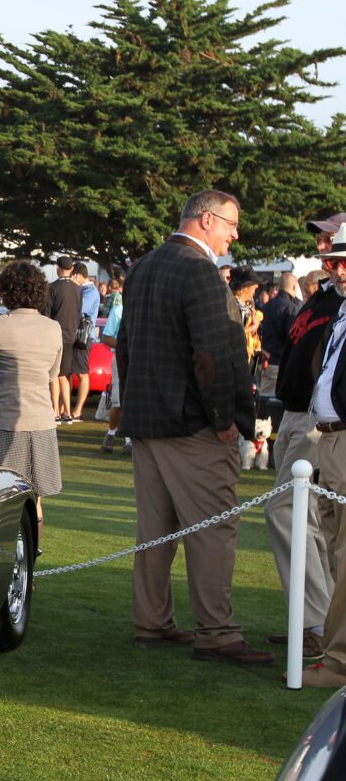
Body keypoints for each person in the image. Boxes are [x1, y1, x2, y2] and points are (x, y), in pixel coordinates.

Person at [117, 189, 266, 664]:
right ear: (206, 220)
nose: (234, 234)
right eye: (230, 223)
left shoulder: (142, 268)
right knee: (213, 528)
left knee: (155, 531)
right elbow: (214, 355)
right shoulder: (200, 271)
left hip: (147, 420)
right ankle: (218, 633)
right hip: (191, 424)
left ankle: (152, 623)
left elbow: (126, 346)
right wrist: (225, 419)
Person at [262, 236, 345, 669]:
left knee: (286, 511)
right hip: (300, 416)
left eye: (337, 251)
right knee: (314, 522)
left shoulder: (335, 302)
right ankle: (318, 622)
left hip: (320, 426)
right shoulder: (323, 298)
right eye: (330, 255)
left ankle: (315, 623)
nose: (330, 257)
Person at [0, 261, 64, 531]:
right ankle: (30, 559)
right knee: (34, 499)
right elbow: (52, 373)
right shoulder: (53, 328)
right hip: (39, 422)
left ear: (7, 291)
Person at [300, 228, 346, 687]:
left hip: (343, 440)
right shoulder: (341, 310)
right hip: (330, 438)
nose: (336, 270)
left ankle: (339, 662)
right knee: (336, 552)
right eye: (334, 262)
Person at [45, 256, 81, 422]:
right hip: (71, 335)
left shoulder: (52, 288)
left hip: (54, 335)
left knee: (54, 375)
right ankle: (67, 411)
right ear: (72, 268)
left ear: (57, 267)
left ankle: (55, 411)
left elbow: (47, 313)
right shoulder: (77, 289)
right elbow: (79, 313)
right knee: (65, 375)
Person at [99, 269, 129, 454]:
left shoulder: (146, 308)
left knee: (133, 401)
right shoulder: (119, 310)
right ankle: (111, 433)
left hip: (140, 362)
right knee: (119, 402)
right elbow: (107, 337)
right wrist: (127, 346)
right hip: (121, 360)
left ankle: (129, 440)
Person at [259, 271, 302, 397]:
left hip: (264, 360)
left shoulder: (265, 307)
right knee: (271, 407)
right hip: (279, 364)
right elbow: (293, 339)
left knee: (262, 400)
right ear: (294, 287)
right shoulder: (291, 308)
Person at [70, 261, 100, 419]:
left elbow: (79, 309)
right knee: (67, 372)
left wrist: (73, 289)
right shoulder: (82, 289)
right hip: (73, 334)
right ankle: (67, 408)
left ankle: (78, 410)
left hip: (84, 336)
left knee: (82, 373)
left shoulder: (91, 292)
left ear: (78, 275)